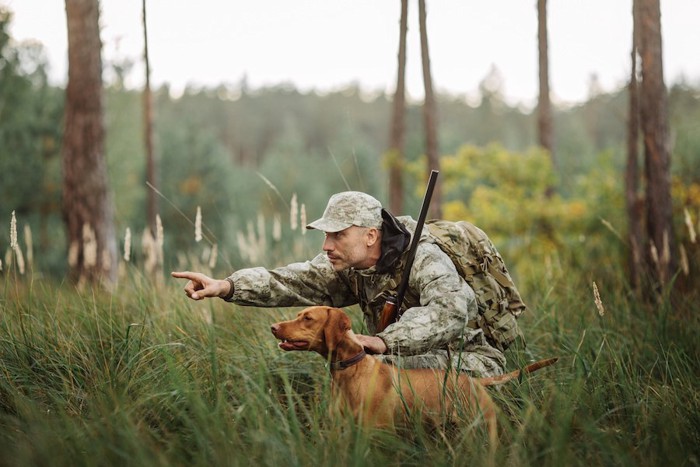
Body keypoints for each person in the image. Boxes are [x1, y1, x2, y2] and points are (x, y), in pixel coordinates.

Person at [172, 191, 507, 377]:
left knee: (373, 368)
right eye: (326, 235)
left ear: (371, 235)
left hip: (470, 360)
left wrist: (384, 342)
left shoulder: (424, 258)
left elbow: (450, 312)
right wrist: (227, 286)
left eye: (338, 234)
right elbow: (290, 281)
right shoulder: (346, 264)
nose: (326, 245)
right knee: (363, 367)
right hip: (402, 355)